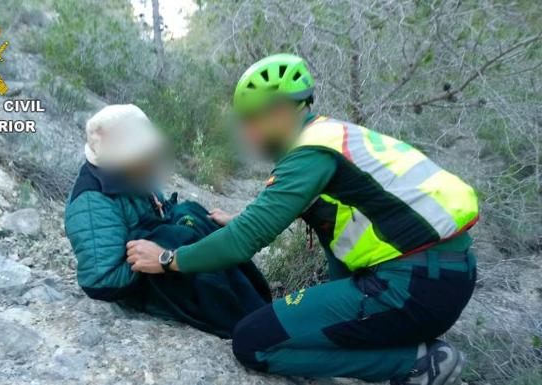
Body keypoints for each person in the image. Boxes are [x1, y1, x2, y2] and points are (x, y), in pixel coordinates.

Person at [126, 55, 479, 385]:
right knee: (299, 322)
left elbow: (243, 241)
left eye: (250, 119)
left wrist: (167, 260)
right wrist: (240, 218)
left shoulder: (309, 153)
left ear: (280, 111)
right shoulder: (331, 135)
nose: (247, 133)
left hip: (411, 288)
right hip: (441, 278)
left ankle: (417, 362)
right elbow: (334, 215)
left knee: (252, 342)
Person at [64, 104, 270, 338]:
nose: (152, 159)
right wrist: (157, 256)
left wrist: (178, 225)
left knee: (194, 216)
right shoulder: (92, 202)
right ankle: (246, 321)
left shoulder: (132, 172)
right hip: (135, 283)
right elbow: (101, 280)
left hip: (153, 257)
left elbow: (158, 214)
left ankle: (257, 304)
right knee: (183, 240)